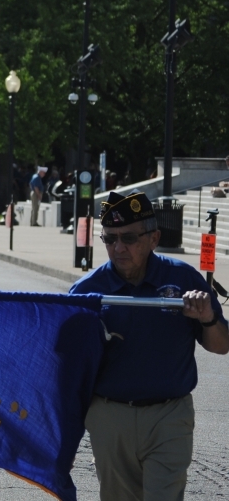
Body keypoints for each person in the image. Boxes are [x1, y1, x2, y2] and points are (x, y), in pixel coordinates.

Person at [71, 191, 227, 501]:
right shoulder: (88, 291)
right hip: (110, 415)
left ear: (153, 238)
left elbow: (221, 346)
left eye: (128, 238)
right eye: (110, 238)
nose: (118, 248)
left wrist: (208, 318)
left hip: (169, 415)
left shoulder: (183, 279)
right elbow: (64, 359)